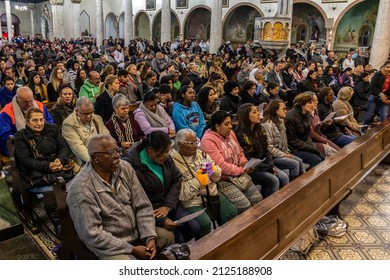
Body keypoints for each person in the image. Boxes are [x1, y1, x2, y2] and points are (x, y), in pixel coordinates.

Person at [67, 134, 167, 260]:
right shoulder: (81, 190)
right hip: (109, 246)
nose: (117, 156)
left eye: (117, 150)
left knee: (168, 237)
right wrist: (131, 249)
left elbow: (142, 204)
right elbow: (93, 234)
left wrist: (149, 236)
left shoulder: (124, 167)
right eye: (110, 153)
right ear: (95, 158)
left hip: (135, 232)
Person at [122, 131, 199, 243]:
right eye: (161, 153)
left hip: (170, 202)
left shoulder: (165, 156)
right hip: (151, 210)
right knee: (178, 238)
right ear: (150, 150)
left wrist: (168, 205)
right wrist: (162, 220)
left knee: (194, 228)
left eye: (167, 152)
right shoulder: (131, 166)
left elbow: (176, 179)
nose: (165, 156)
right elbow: (137, 202)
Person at [15, 107, 73, 237]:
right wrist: (48, 166)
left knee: (75, 185)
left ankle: (75, 216)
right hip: (35, 175)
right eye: (35, 120)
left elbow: (64, 147)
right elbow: (25, 161)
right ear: (27, 121)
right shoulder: (21, 136)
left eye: (41, 119)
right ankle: (58, 223)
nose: (39, 123)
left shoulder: (52, 129)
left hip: (58, 169)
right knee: (52, 191)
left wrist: (60, 160)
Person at [171, 129, 237, 239]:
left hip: (211, 193)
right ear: (179, 144)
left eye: (196, 142)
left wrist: (212, 170)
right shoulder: (173, 163)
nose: (195, 146)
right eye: (191, 143)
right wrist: (198, 181)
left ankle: (228, 241)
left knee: (231, 211)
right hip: (192, 201)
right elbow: (181, 194)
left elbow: (216, 178)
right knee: (205, 224)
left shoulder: (202, 154)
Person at [200, 110, 263, 213]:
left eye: (230, 123)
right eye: (226, 124)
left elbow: (240, 152)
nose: (230, 127)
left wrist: (244, 163)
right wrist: (241, 170)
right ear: (217, 126)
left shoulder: (230, 133)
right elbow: (221, 166)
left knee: (258, 199)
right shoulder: (208, 140)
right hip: (223, 179)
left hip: (239, 174)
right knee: (244, 206)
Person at [234, 103, 289, 198]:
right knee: (273, 180)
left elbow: (267, 150)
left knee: (284, 177)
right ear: (246, 116)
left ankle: (283, 202)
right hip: (251, 168)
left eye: (258, 111)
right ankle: (268, 207)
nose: (259, 114)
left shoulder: (260, 129)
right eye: (255, 112)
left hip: (264, 164)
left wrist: (270, 166)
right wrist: (268, 168)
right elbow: (247, 158)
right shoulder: (239, 134)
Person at [0, 87, 53, 157]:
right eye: (26, 102)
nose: (30, 104)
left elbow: (50, 124)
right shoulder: (6, 112)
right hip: (19, 144)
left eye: (31, 100)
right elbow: (4, 136)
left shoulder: (40, 106)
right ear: (18, 99)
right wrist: (26, 139)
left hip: (42, 140)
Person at [262, 100, 304, 180]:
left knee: (300, 161)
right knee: (295, 164)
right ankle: (294, 188)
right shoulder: (267, 125)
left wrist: (286, 152)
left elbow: (284, 141)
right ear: (275, 111)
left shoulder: (280, 121)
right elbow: (269, 148)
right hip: (272, 156)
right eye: (283, 109)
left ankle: (301, 184)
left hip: (281, 152)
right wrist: (284, 155)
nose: (286, 111)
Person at [62, 97, 110, 165]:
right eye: (84, 114)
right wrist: (96, 161)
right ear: (77, 111)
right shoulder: (68, 123)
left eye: (90, 112)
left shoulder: (97, 119)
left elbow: (107, 138)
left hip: (102, 155)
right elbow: (78, 147)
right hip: (83, 160)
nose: (88, 116)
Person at [285, 92, 323, 169]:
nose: (313, 105)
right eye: (310, 103)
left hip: (303, 145)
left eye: (313, 102)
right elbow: (292, 140)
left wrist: (312, 146)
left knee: (322, 158)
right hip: (293, 148)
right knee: (316, 160)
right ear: (302, 104)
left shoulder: (305, 114)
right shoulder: (291, 117)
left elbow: (307, 135)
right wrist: (311, 148)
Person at [363, 61, 390, 126]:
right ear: (383, 66)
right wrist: (380, 94)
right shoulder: (378, 74)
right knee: (370, 114)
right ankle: (364, 128)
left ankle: (384, 133)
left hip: (385, 99)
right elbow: (372, 86)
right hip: (374, 96)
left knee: (384, 115)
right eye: (387, 67)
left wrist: (388, 100)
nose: (389, 69)